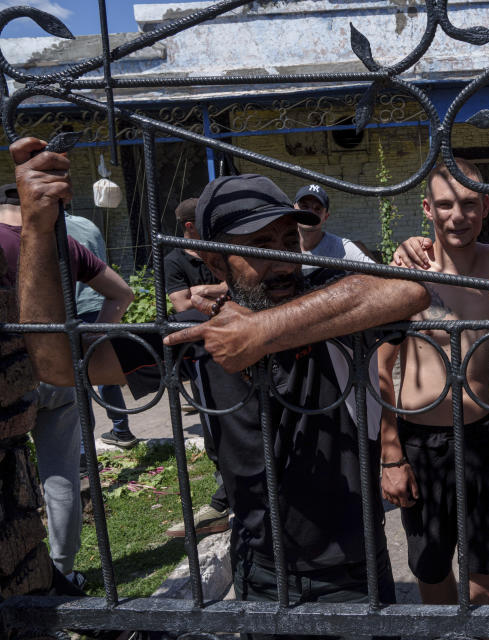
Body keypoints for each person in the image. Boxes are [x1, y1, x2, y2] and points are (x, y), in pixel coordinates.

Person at [13, 137, 431, 631]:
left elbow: (407, 289)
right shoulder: (196, 334)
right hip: (258, 569)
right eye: (258, 246)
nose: (282, 261)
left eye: (287, 242)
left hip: (354, 566)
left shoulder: (326, 302)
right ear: (214, 262)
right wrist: (39, 228)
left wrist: (263, 330)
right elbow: (57, 364)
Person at [378, 158, 489, 606]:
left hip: (483, 436)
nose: (457, 216)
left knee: (486, 565)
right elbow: (381, 368)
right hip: (422, 441)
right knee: (431, 564)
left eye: (467, 203)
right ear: (427, 208)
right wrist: (391, 454)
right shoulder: (410, 271)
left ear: (485, 206)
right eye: (445, 205)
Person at [0, 182, 133, 588]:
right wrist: (92, 343)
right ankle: (62, 568)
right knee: (62, 477)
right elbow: (122, 294)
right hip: (61, 369)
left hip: (12, 378)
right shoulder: (63, 244)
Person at [163, 197, 231, 538]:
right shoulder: (174, 259)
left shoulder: (221, 252)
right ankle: (226, 493)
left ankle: (231, 496)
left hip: (237, 340)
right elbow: (181, 303)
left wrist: (206, 290)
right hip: (200, 352)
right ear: (191, 226)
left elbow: (241, 286)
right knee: (212, 419)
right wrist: (223, 294)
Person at [64, 211, 140, 450]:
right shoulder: (87, 223)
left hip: (75, 306)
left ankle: (84, 449)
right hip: (105, 302)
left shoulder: (54, 231)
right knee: (104, 372)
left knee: (79, 378)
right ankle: (121, 430)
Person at [294, 183, 375, 263]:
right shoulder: (282, 243)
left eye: (317, 209)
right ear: (293, 209)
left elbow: (377, 271)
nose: (310, 212)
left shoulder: (341, 248)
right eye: (304, 206)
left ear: (326, 216)